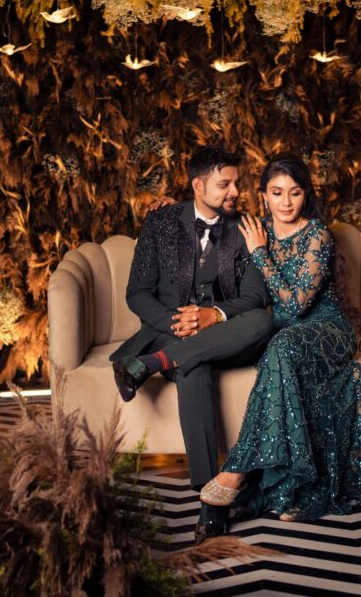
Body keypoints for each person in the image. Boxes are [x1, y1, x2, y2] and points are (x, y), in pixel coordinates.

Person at [197, 153, 361, 522]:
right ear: (264, 196)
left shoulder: (317, 235)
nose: (286, 202)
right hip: (285, 335)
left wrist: (260, 255)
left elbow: (295, 304)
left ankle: (235, 470)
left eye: (295, 192)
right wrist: (169, 210)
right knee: (278, 351)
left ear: (306, 195)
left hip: (329, 330)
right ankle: (293, 491)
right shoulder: (254, 228)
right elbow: (209, 215)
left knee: (281, 345)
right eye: (277, 192)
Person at [109, 146, 274, 544]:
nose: (235, 190)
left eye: (236, 182)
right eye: (225, 183)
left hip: (225, 332)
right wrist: (178, 322)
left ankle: (147, 364)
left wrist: (212, 315)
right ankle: (210, 501)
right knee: (194, 371)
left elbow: (253, 297)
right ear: (198, 185)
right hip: (172, 332)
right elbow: (138, 292)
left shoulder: (245, 228)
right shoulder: (161, 222)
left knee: (266, 319)